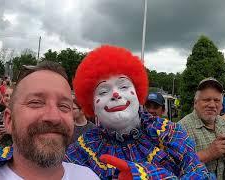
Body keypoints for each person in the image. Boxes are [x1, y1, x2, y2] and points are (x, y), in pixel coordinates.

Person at [65, 45, 215, 179]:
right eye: (103, 91)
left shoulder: (170, 133)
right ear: (91, 104)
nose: (115, 94)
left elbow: (199, 173)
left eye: (123, 86)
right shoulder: (81, 151)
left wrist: (148, 175)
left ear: (137, 93)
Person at [0, 61, 99, 179]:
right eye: (36, 103)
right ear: (9, 120)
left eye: (64, 106)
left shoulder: (89, 176)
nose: (54, 117)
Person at [178, 77, 225, 179]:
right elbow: (175, 164)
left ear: (221, 106)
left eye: (217, 100)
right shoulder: (180, 129)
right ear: (195, 103)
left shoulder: (223, 123)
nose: (212, 105)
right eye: (206, 100)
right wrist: (208, 154)